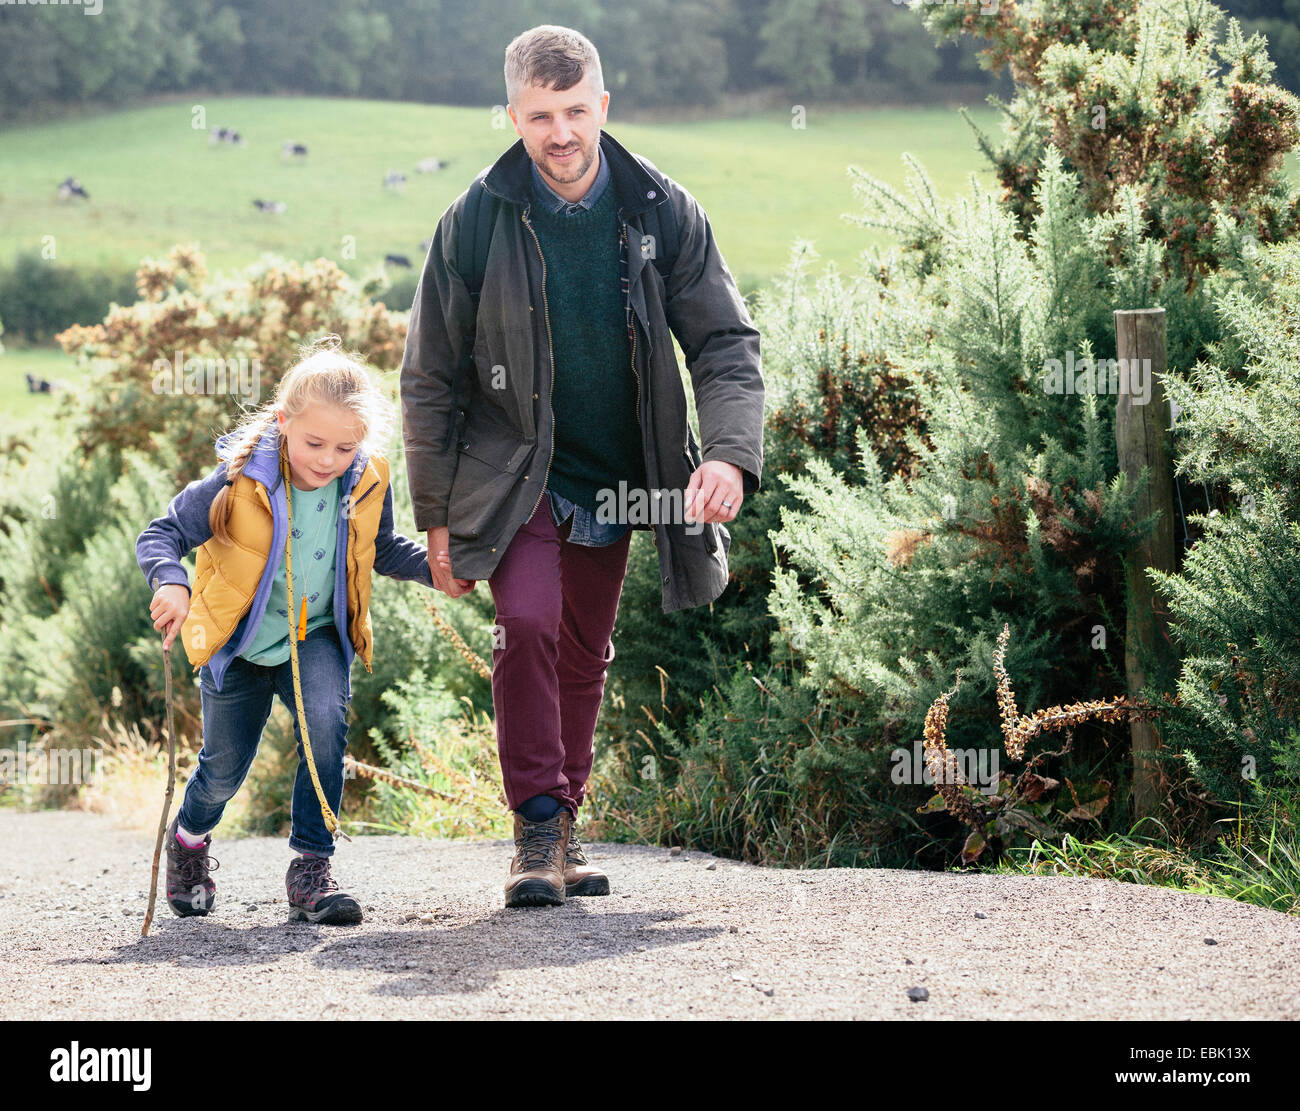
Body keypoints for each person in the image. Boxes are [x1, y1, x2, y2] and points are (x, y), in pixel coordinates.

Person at [401, 25, 765, 908]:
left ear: (602, 105)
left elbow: (723, 342)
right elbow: (431, 376)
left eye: (574, 111)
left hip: (622, 473)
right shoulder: (476, 220)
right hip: (512, 471)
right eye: (539, 116)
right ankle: (532, 828)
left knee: (585, 651)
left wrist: (727, 454)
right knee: (524, 624)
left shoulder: (660, 210)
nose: (559, 133)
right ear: (513, 116)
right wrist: (436, 516)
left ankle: (563, 826)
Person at [136, 336, 435, 925]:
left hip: (317, 635)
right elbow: (161, 533)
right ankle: (190, 840)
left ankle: (311, 871)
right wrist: (170, 583)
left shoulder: (368, 478)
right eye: (314, 443)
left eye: (345, 447)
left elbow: (382, 548)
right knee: (222, 770)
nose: (327, 459)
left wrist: (436, 570)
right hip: (240, 645)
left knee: (325, 727)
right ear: (282, 424)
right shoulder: (239, 478)